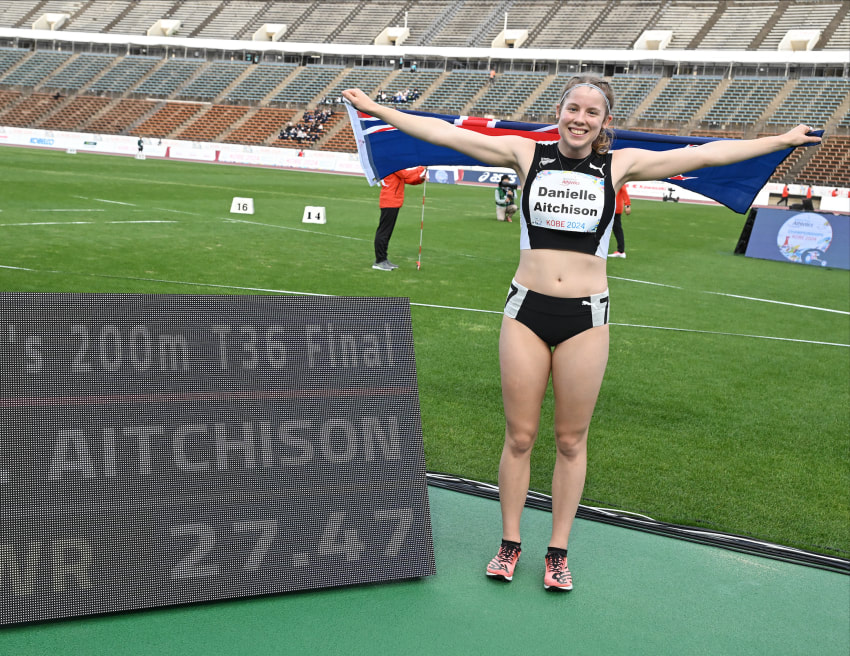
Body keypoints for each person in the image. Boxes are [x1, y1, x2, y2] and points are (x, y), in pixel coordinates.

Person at [342, 76, 819, 591]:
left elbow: (704, 156)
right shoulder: (526, 154)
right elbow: (442, 135)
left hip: (586, 317)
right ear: (560, 110)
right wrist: (373, 106)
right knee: (520, 436)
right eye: (574, 108)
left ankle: (558, 551)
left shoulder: (620, 165)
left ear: (604, 121)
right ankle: (509, 543)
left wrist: (781, 139)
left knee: (570, 441)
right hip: (525, 309)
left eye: (592, 112)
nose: (581, 119)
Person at [373, 166, 426, 271]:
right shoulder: (391, 164)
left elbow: (407, 179)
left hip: (392, 202)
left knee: (386, 233)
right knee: (384, 232)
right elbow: (405, 174)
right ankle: (379, 261)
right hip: (389, 202)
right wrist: (421, 168)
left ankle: (383, 259)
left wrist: (420, 179)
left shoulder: (393, 166)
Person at [608, 184, 631, 257]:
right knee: (616, 229)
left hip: (615, 208)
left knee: (617, 229)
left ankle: (621, 251)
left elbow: (624, 192)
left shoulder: (618, 178)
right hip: (613, 208)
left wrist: (627, 205)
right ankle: (620, 250)